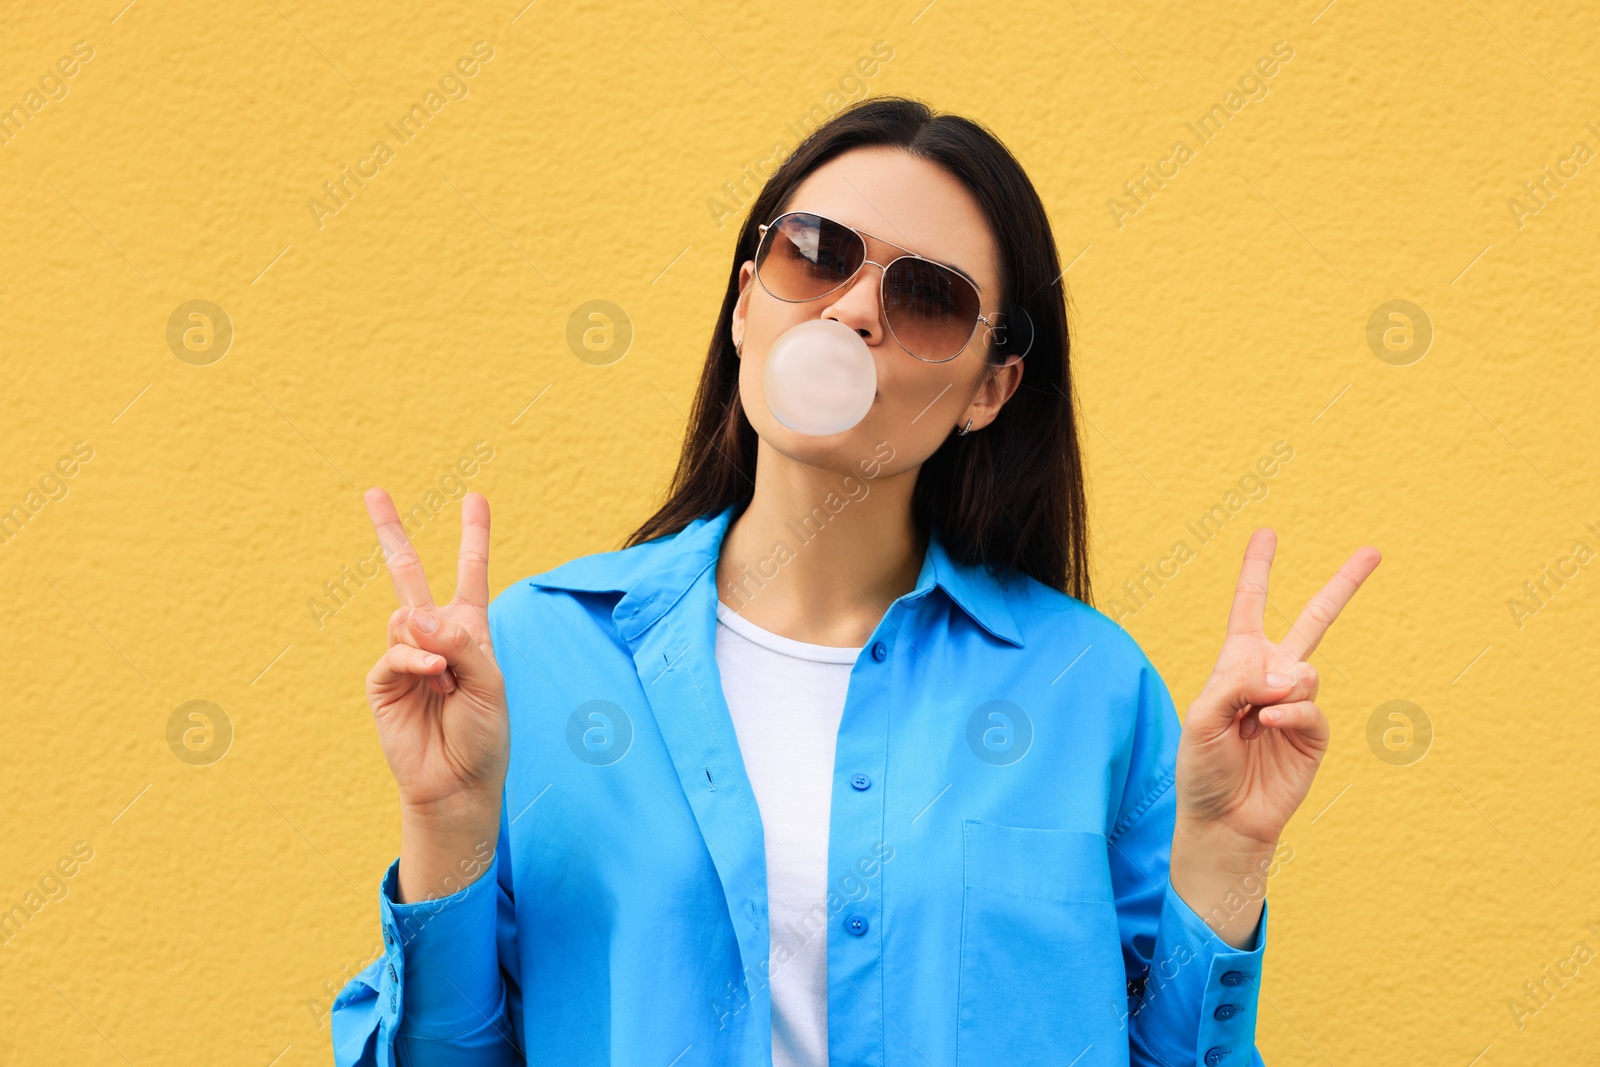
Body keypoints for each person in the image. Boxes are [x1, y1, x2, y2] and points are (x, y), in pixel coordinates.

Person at [331, 95, 1379, 1066]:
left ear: (989, 388)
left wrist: (1227, 854)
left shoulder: (1087, 684)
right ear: (747, 304)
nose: (856, 310)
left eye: (927, 297)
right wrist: (447, 825)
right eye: (816, 254)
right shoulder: (542, 656)